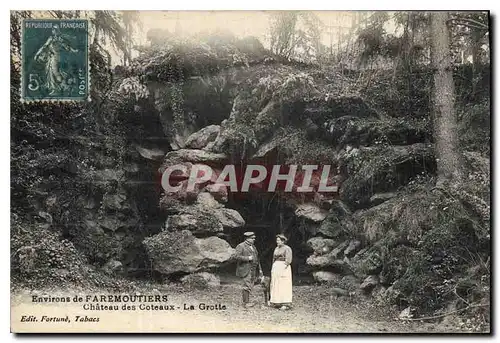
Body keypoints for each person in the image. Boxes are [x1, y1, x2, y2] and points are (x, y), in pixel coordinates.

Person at [233, 232, 263, 308]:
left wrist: (260, 269)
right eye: (252, 238)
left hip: (253, 269)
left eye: (254, 238)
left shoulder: (253, 246)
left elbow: (257, 258)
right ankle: (246, 303)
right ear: (247, 239)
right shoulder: (240, 246)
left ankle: (248, 301)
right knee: (246, 285)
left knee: (250, 285)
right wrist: (247, 258)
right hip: (245, 269)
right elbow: (236, 256)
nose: (254, 240)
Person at [270, 234, 293, 310]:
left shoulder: (287, 248)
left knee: (284, 284)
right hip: (276, 267)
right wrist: (273, 267)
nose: (277, 242)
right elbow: (273, 258)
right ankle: (277, 302)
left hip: (284, 268)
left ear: (283, 241)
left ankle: (285, 303)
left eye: (278, 240)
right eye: (277, 240)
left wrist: (283, 267)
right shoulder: (276, 248)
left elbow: (288, 260)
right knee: (276, 284)